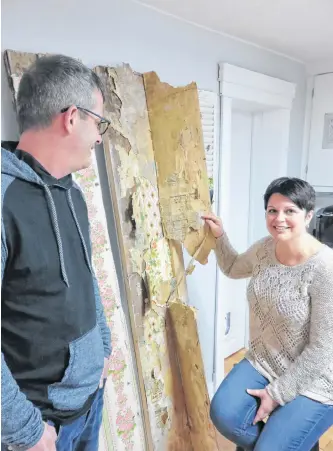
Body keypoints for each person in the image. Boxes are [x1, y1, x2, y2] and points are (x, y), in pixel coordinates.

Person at [1, 55, 112, 451]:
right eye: (98, 122)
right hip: (40, 428)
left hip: (89, 402)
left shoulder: (72, 191)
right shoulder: (3, 200)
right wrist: (27, 433)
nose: (99, 136)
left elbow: (84, 277)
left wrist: (102, 347)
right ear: (71, 117)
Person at [203, 177, 333, 451]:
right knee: (223, 414)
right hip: (266, 361)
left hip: (317, 377)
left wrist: (276, 395)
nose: (279, 219)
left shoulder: (325, 269)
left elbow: (323, 350)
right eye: (272, 210)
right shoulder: (264, 249)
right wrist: (219, 237)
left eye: (290, 211)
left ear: (308, 215)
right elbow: (233, 267)